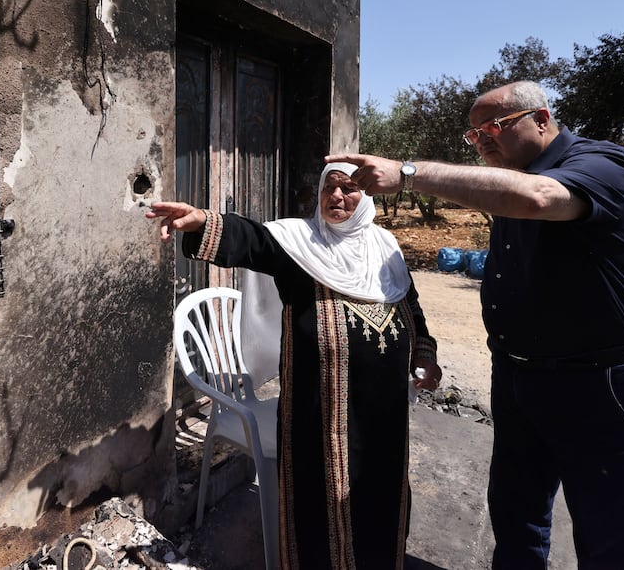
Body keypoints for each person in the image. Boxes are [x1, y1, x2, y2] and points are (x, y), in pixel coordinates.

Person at [327, 80, 624, 570]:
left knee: (607, 535)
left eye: (495, 126)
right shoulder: (514, 174)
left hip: (601, 383)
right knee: (516, 516)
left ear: (543, 119)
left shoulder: (604, 166)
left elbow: (538, 199)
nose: (483, 139)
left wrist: (408, 173)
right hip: (520, 378)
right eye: (474, 134)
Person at [147, 162, 442, 570]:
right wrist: (202, 223)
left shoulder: (385, 248)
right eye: (329, 189)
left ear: (367, 198)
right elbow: (254, 240)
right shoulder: (301, 246)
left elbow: (411, 306)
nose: (336, 197)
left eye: (349, 189)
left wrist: (424, 354)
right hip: (319, 421)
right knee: (320, 521)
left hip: (384, 420)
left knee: (382, 501)